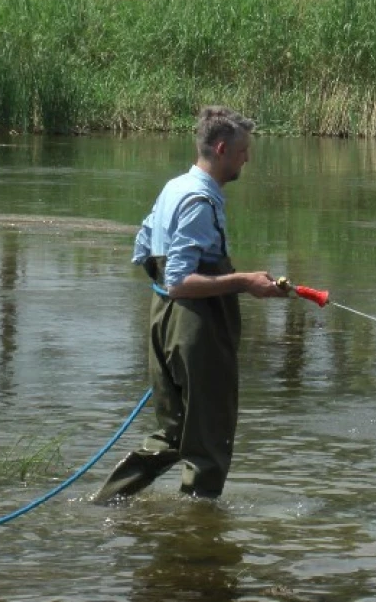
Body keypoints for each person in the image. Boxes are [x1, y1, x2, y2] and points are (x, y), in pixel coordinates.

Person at [94, 106, 285, 504]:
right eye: (242, 151)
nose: (246, 158)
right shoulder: (200, 200)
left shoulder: (173, 187)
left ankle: (107, 500)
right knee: (209, 443)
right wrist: (246, 281)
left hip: (162, 321)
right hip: (195, 327)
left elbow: (144, 251)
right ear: (220, 148)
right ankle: (198, 538)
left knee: (174, 434)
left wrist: (169, 313)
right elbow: (180, 282)